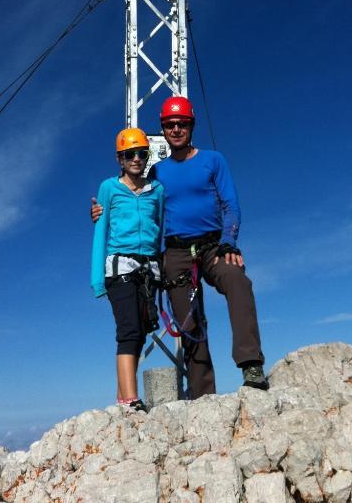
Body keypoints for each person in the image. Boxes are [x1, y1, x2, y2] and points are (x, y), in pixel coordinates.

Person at [92, 97, 268, 399]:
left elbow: (231, 205)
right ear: (163, 127)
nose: (176, 129)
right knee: (188, 320)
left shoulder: (214, 160)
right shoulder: (157, 173)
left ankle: (250, 364)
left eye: (182, 123)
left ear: (191, 125)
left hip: (214, 244)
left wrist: (230, 241)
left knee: (237, 279)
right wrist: (101, 211)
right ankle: (202, 395)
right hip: (175, 252)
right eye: (170, 124)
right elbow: (135, 199)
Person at [91, 127, 164, 411]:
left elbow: (159, 226)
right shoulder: (109, 188)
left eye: (141, 153)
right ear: (119, 159)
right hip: (119, 269)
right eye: (129, 154)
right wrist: (97, 280)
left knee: (141, 331)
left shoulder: (157, 190)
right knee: (129, 331)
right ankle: (132, 402)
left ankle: (123, 398)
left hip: (148, 272)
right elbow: (101, 232)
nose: (136, 159)